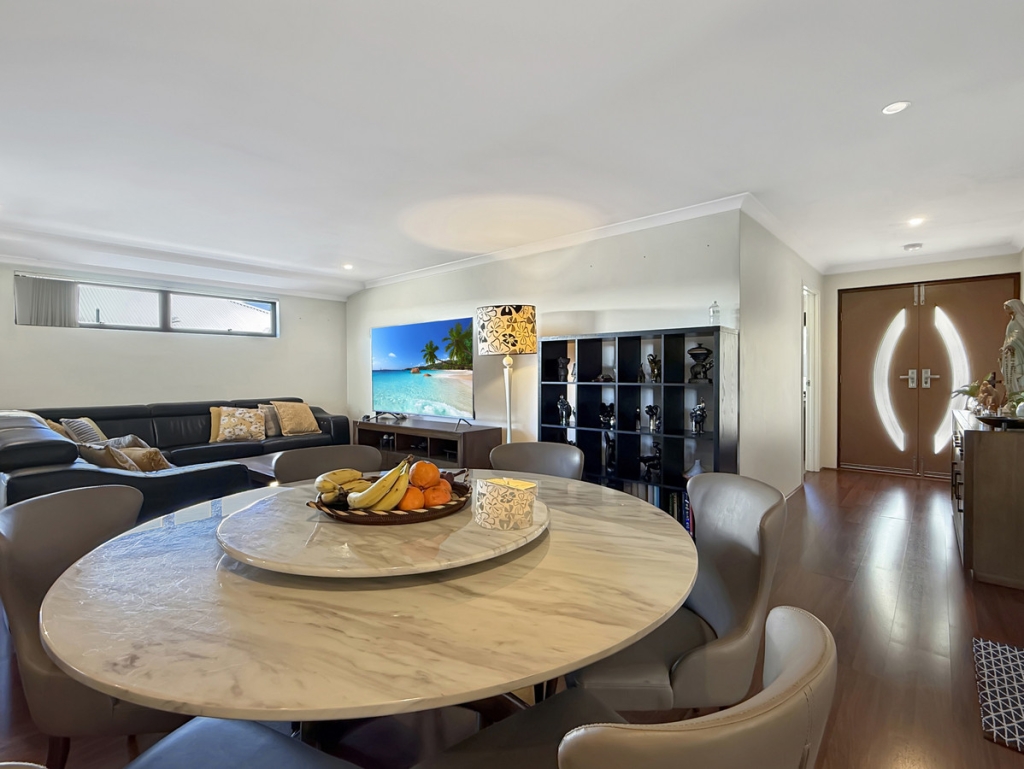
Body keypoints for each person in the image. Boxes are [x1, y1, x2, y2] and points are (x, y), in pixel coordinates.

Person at [1000, 299, 1024, 395]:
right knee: (1010, 373)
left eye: (1007, 308)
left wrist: (1011, 344)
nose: (1005, 310)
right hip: (1009, 351)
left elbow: (1019, 335)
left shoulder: (1020, 320)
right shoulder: (1012, 321)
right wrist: (1005, 346)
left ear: (1014, 307)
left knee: (1017, 372)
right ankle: (1014, 393)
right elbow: (1008, 336)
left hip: (1018, 350)